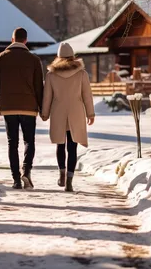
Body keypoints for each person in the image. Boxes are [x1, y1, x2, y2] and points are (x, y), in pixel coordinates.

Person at [0, 27, 44, 190]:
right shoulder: (34, 60)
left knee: (12, 143)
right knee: (29, 141)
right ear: (26, 40)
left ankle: (16, 180)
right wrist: (42, 109)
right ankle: (26, 170)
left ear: (12, 40)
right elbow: (39, 87)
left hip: (8, 107)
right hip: (29, 107)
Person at [41, 42, 95, 192]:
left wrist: (45, 113)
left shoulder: (51, 75)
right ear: (72, 56)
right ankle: (70, 180)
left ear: (58, 57)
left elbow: (47, 97)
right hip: (76, 111)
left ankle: (62, 174)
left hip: (58, 111)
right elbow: (87, 96)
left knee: (60, 144)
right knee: (73, 146)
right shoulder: (81, 74)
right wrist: (90, 113)